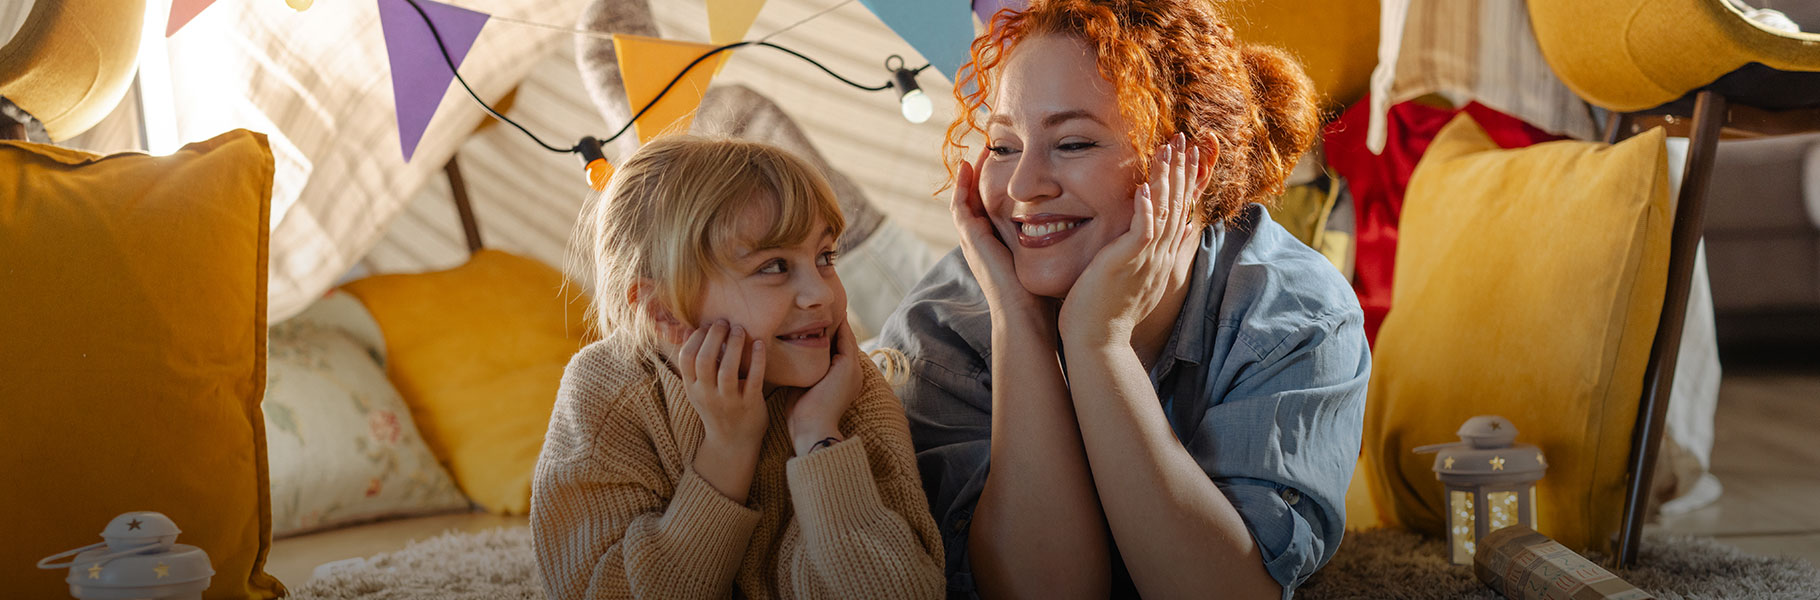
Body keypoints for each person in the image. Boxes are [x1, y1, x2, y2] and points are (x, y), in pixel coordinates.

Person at [874, 0, 1371, 597]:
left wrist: (1097, 343)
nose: (1025, 186)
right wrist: (1018, 323)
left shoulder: (1296, 319)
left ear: (1192, 164)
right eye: (1003, 146)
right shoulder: (943, 330)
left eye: (1075, 143)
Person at [532, 135, 943, 600]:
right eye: (774, 266)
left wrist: (817, 436)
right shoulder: (607, 395)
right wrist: (728, 450)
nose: (823, 294)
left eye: (825, 257)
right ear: (664, 310)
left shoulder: (849, 387)